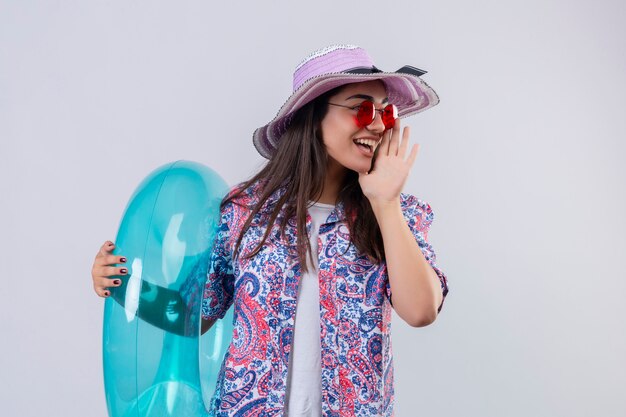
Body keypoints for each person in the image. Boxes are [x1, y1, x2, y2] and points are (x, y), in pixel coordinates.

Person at [91, 44, 449, 417]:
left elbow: (422, 310)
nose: (377, 124)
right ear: (313, 117)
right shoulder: (245, 213)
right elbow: (191, 315)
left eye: (385, 113)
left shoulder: (395, 214)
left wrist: (386, 203)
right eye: (362, 108)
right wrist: (122, 285)